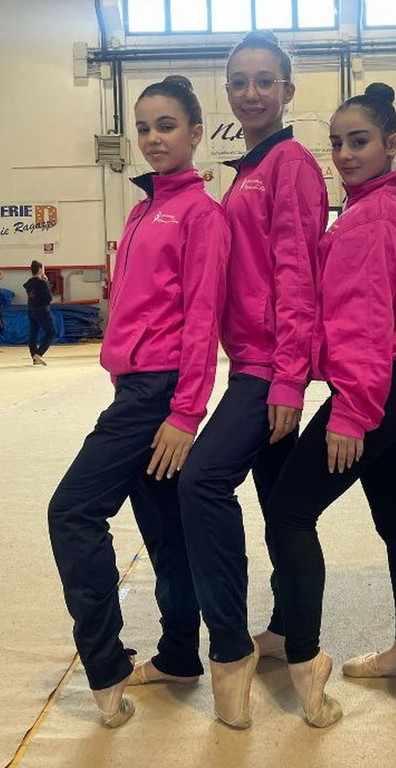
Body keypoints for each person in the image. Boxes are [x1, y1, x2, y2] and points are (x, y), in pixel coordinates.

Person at [48, 75, 230, 728]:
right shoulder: (142, 209)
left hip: (157, 394)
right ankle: (179, 655)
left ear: (196, 133)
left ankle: (105, 667)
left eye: (167, 126)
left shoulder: (202, 215)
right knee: (164, 530)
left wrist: (185, 411)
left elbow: (202, 317)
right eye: (145, 127)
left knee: (72, 512)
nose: (154, 138)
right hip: (135, 386)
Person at [175, 30, 328, 730]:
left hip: (269, 368)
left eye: (265, 81)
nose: (251, 93)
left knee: (201, 480)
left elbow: (298, 273)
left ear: (287, 91)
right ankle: (292, 634)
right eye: (239, 81)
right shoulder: (250, 168)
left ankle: (230, 647)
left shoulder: (289, 162)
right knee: (281, 510)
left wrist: (288, 380)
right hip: (252, 360)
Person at [265, 83, 396, 728]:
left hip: (372, 390)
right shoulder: (367, 210)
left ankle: (305, 657)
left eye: (359, 142)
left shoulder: (368, 220)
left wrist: (353, 410)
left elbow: (362, 319)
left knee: (289, 512)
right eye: (336, 143)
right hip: (390, 383)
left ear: (393, 144)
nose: (345, 155)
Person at [23, 260, 55, 365]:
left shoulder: (29, 283)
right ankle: (39, 353)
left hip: (31, 309)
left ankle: (34, 356)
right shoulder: (42, 283)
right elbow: (49, 297)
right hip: (42, 310)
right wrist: (46, 282)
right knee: (51, 332)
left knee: (33, 334)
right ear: (40, 269)